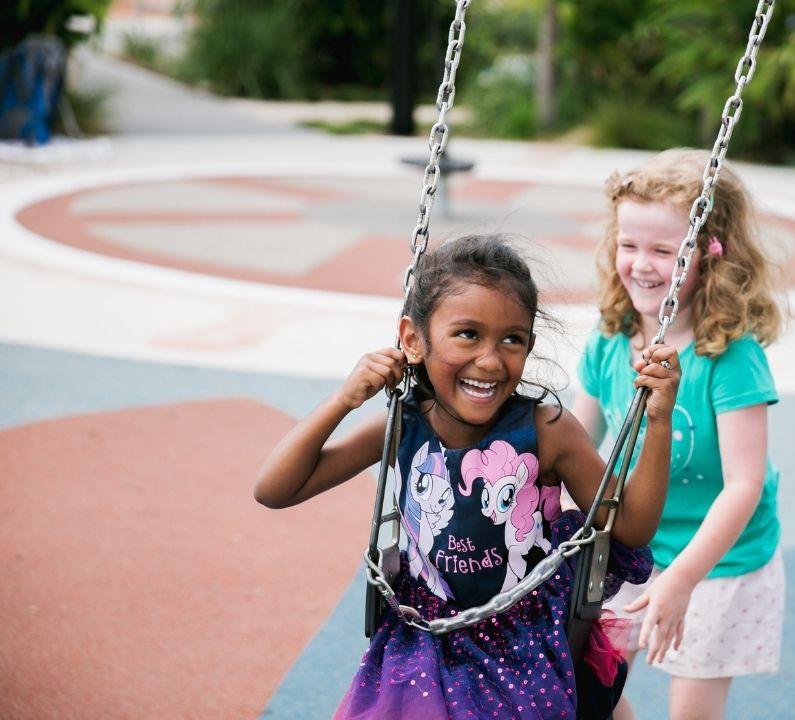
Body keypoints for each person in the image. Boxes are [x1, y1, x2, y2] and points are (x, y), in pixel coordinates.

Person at [254, 234, 682, 720]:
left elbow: (631, 529)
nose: (491, 360)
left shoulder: (547, 431)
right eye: (467, 334)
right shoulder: (401, 425)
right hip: (426, 630)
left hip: (522, 640)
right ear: (414, 340)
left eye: (511, 339)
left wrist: (660, 420)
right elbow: (274, 489)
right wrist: (343, 400)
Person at [573, 149, 786, 720]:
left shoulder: (729, 357)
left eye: (664, 251)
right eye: (629, 245)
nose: (642, 265)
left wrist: (685, 577)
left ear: (711, 256)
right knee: (584, 685)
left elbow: (744, 483)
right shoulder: (610, 338)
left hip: (720, 560)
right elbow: (575, 446)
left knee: (691, 710)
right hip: (636, 547)